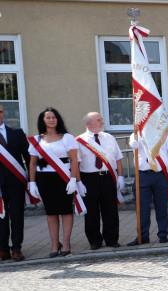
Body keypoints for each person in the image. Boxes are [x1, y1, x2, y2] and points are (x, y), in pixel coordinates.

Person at [27, 107, 80, 257]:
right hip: (45, 179)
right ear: (42, 121)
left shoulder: (67, 137)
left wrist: (73, 179)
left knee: (65, 210)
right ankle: (54, 244)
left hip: (63, 178)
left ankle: (66, 243)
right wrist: (32, 183)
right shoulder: (37, 140)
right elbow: (32, 163)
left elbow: (74, 160)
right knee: (51, 212)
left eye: (54, 117)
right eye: (48, 117)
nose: (51, 120)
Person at [77, 112, 123, 249]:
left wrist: (120, 176)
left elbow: (118, 158)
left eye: (101, 119)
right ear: (88, 124)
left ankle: (112, 239)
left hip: (108, 176)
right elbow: (76, 163)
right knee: (91, 212)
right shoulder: (79, 140)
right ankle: (95, 241)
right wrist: (78, 182)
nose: (102, 122)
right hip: (89, 178)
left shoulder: (109, 137)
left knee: (111, 209)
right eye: (98, 120)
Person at [127, 133, 168, 246]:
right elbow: (132, 143)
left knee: (161, 206)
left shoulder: (165, 135)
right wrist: (133, 143)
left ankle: (163, 234)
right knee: (142, 208)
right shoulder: (136, 134)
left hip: (160, 175)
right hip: (142, 175)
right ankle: (143, 236)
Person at [0, 104, 31, 261]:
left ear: (3, 114)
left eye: (0, 111)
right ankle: (3, 248)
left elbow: (28, 156)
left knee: (17, 215)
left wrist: (32, 180)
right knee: (1, 216)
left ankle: (16, 248)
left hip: (16, 182)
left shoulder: (16, 133)